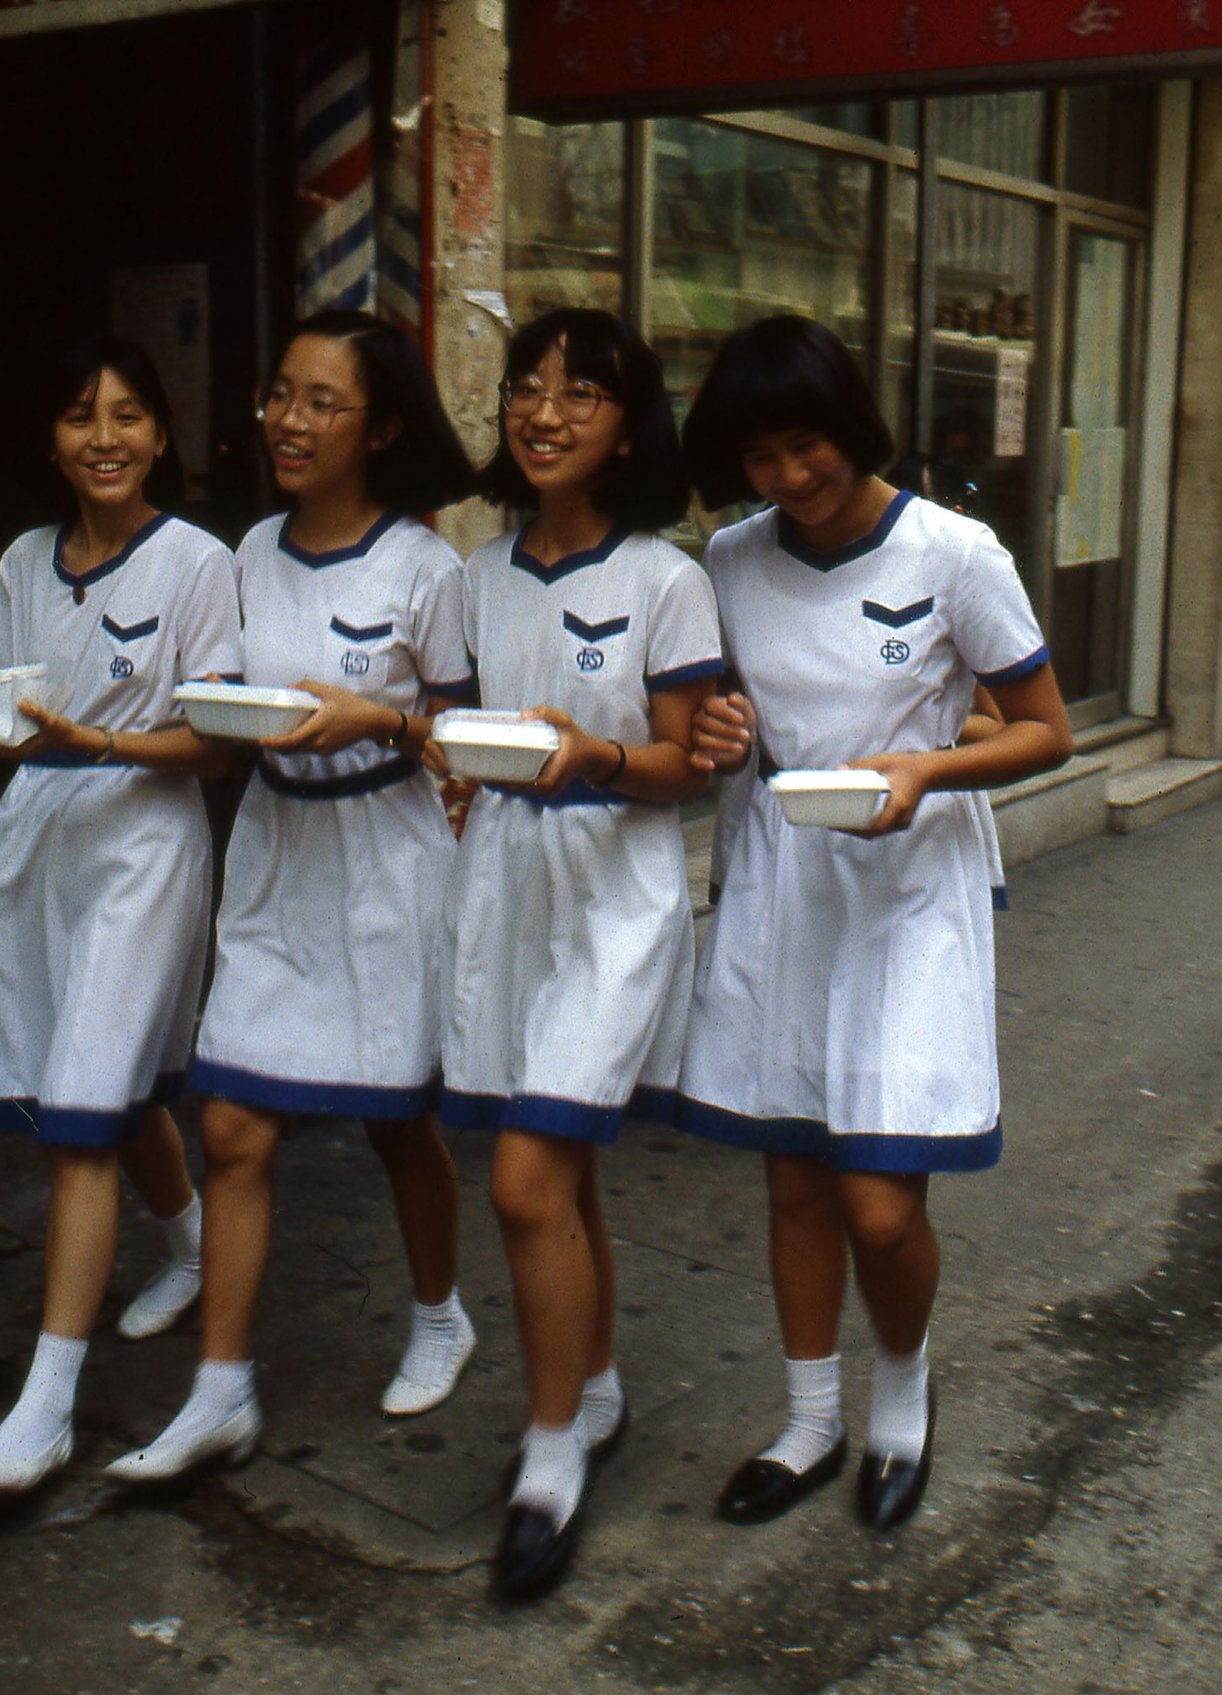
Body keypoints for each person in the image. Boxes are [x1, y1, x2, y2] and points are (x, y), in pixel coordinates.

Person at [671, 315, 1073, 1534]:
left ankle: (902, 1385)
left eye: (808, 447)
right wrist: (715, 734)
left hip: (909, 894)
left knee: (881, 1200)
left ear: (851, 428)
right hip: (782, 884)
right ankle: (807, 1419)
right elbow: (711, 718)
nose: (789, 478)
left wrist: (923, 771)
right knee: (796, 1179)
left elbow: (1043, 727)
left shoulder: (955, 554)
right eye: (759, 457)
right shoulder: (729, 563)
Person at [108, 312, 482, 1483]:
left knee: (394, 1118)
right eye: (279, 394)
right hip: (274, 853)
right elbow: (216, 702)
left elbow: (467, 737)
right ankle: (221, 1390)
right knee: (230, 1125)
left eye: (322, 402)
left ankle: (439, 1315)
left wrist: (382, 717)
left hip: (387, 859)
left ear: (377, 427)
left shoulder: (427, 569)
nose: (288, 419)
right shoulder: (247, 554)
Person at [0, 337, 240, 1492]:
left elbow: (212, 746)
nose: (102, 438)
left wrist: (90, 740)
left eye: (126, 416)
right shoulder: (20, 562)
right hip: (37, 844)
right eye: (77, 416)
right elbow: (13, 719)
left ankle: (43, 1408)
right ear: (50, 440)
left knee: (79, 1115)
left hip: (143, 848)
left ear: (161, 435)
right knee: (100, 1076)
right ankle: (194, 1249)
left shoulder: (199, 564)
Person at [442, 307, 722, 1600]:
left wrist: (593, 753)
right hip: (504, 891)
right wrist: (446, 763)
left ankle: (550, 1456)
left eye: (581, 393)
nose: (544, 412)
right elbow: (446, 734)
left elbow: (681, 769)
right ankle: (595, 1387)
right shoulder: (473, 578)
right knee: (560, 1175)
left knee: (522, 1178)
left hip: (614, 898)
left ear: (627, 425)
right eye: (528, 387)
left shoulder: (665, 579)